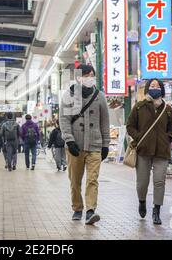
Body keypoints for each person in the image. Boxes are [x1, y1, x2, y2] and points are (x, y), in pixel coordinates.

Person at [59, 64, 110, 225]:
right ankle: (77, 208)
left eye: (91, 75)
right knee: (75, 180)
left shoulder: (99, 96)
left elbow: (104, 122)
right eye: (86, 75)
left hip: (95, 145)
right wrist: (69, 140)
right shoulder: (69, 95)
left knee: (92, 179)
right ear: (78, 77)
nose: (89, 78)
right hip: (75, 146)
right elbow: (64, 120)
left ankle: (90, 211)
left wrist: (106, 144)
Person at [127, 79, 172, 225]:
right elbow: (130, 126)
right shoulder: (139, 107)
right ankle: (142, 201)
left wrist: (168, 138)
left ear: (162, 89)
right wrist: (139, 137)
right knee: (142, 182)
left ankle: (157, 210)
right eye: (152, 86)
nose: (155, 88)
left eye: (158, 86)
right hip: (143, 150)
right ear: (148, 89)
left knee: (159, 181)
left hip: (161, 150)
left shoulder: (167, 109)